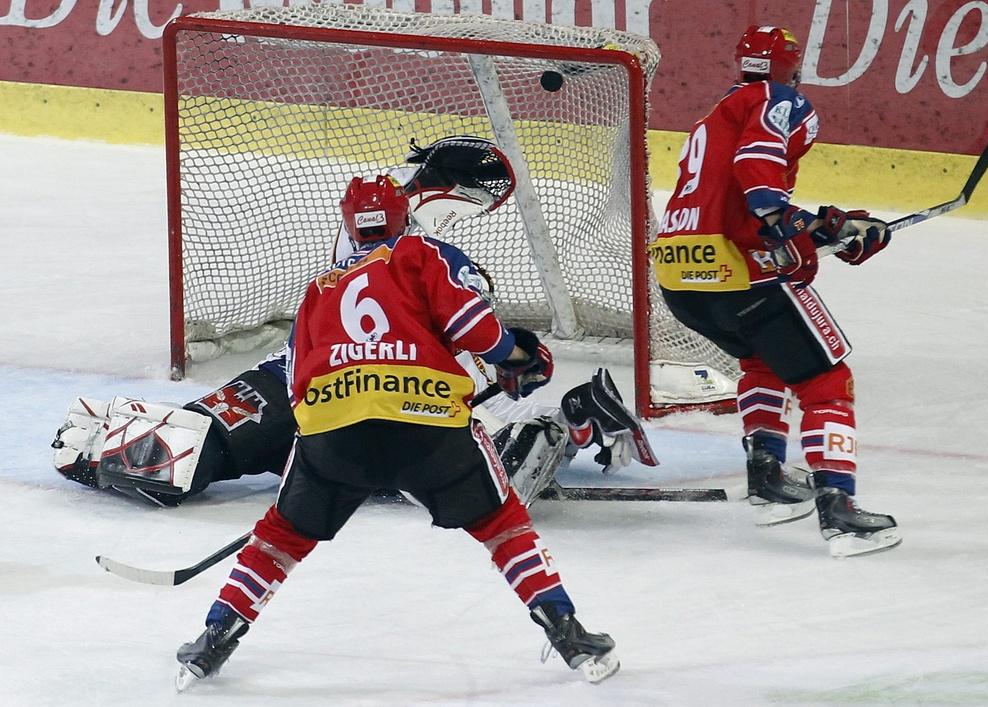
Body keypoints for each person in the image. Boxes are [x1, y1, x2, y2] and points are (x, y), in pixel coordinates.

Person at [174, 174, 620, 689]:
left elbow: (296, 383)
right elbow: (478, 333)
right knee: (502, 526)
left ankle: (212, 640)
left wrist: (325, 444)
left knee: (281, 535)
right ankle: (567, 632)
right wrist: (521, 357)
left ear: (350, 228)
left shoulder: (319, 289)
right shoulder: (423, 253)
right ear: (403, 217)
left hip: (332, 430)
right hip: (428, 426)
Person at [50, 136, 657, 509]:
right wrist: (521, 361)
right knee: (195, 451)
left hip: (317, 385)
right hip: (374, 398)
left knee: (194, 450)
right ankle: (563, 424)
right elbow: (478, 349)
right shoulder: (431, 258)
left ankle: (554, 428)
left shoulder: (374, 259)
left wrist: (510, 363)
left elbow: (467, 338)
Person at [651, 25, 901, 558]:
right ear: (791, 65)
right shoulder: (776, 99)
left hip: (679, 277)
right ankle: (839, 509)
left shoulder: (717, 113)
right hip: (739, 272)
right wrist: (795, 224)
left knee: (763, 361)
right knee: (826, 379)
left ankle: (767, 481)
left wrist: (821, 230)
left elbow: (735, 194)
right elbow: (758, 179)